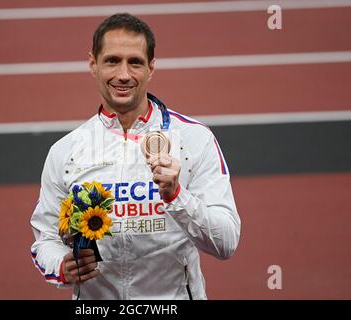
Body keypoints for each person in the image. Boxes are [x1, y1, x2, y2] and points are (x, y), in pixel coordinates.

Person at [30, 13, 241, 300]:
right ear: (93, 64)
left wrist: (176, 195)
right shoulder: (66, 151)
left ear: (151, 67)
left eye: (135, 62)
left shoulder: (194, 139)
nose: (124, 75)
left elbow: (225, 242)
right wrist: (61, 266)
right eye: (112, 61)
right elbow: (46, 240)